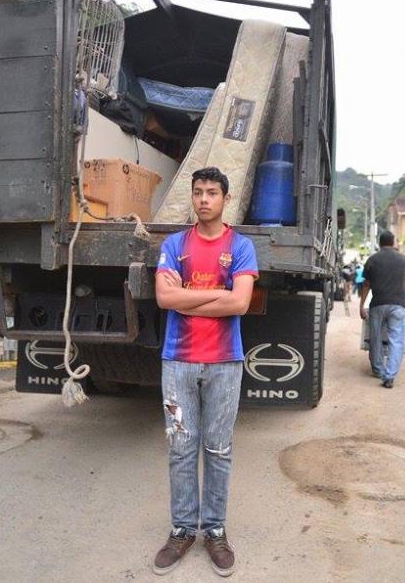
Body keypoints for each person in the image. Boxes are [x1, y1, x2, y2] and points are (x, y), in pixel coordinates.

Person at [154, 166, 259, 577]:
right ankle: (182, 529)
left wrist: (190, 297)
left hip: (224, 364)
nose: (203, 199)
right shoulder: (174, 243)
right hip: (177, 363)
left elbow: (240, 304)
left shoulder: (242, 246)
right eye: (197, 192)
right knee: (181, 446)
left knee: (218, 449)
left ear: (225, 199)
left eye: (211, 192)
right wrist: (221, 290)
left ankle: (214, 530)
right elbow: (164, 297)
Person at [359, 230, 405, 388]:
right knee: (396, 340)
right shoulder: (404, 260)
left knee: (375, 337)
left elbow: (366, 284)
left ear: (379, 243)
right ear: (394, 242)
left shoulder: (372, 259)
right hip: (398, 305)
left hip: (377, 304)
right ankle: (390, 375)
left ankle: (378, 370)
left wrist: (361, 305)